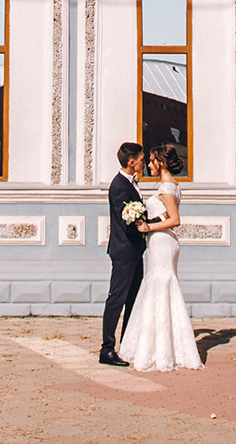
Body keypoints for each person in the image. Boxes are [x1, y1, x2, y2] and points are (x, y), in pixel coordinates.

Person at [116, 143, 201, 371]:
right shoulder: (171, 185)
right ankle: (162, 344)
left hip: (162, 243)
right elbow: (166, 214)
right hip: (160, 243)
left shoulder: (165, 187)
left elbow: (175, 220)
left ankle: (160, 349)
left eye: (152, 161)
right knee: (158, 288)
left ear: (161, 163)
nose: (149, 165)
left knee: (160, 287)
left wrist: (148, 228)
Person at [98, 141, 147, 366]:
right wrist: (154, 222)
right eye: (141, 159)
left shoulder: (131, 183)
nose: (144, 163)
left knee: (133, 299)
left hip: (135, 250)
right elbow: (126, 219)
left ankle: (127, 344)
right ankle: (107, 348)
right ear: (131, 162)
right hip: (124, 251)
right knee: (117, 299)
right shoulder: (119, 185)